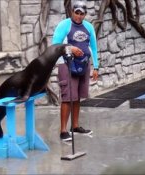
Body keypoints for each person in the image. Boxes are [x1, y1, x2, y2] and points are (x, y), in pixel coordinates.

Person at [52, 1, 99, 141]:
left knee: (77, 96)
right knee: (67, 98)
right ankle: (63, 130)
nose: (79, 16)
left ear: (85, 14)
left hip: (84, 65)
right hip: (67, 65)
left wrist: (96, 67)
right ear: (72, 12)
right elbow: (55, 45)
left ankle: (75, 126)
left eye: (82, 14)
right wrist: (70, 48)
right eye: (76, 13)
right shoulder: (64, 25)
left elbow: (94, 48)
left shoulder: (89, 27)